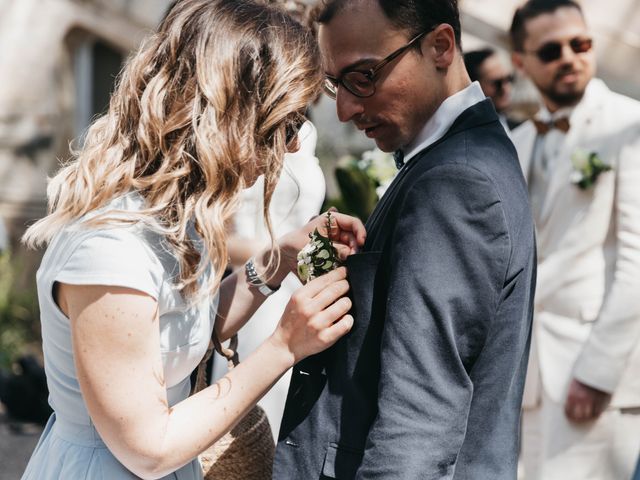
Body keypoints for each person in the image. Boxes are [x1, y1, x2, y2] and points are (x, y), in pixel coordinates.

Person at [19, 1, 365, 479]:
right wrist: (284, 345)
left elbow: (183, 333)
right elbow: (149, 448)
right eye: (285, 122)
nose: (290, 146)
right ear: (231, 115)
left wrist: (279, 260)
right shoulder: (110, 249)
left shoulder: (177, 215)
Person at [273, 0, 536, 478]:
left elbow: (419, 417)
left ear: (440, 45)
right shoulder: (454, 158)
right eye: (336, 83)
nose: (346, 107)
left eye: (365, 76)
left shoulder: (456, 181)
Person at [509, 1, 640, 478]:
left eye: (580, 44)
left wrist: (598, 371)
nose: (569, 57)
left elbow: (637, 260)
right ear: (520, 61)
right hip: (524, 383)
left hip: (596, 377)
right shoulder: (513, 142)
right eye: (550, 49)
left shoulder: (630, 124)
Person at [210, 119, 326, 441]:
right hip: (252, 296)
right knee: (252, 433)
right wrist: (280, 257)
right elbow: (220, 242)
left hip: (303, 290)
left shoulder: (306, 135)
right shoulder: (239, 136)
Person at [463, 47, 519, 131]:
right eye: (497, 83)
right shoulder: (470, 136)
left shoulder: (519, 128)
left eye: (509, 79)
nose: (506, 88)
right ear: (475, 86)